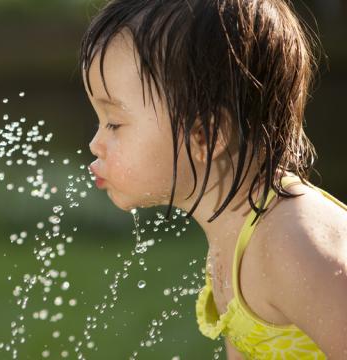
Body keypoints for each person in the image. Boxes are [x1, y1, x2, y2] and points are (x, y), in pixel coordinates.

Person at [80, 0, 347, 358]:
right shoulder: (231, 241)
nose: (96, 143)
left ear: (205, 136)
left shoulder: (290, 244)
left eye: (113, 123)